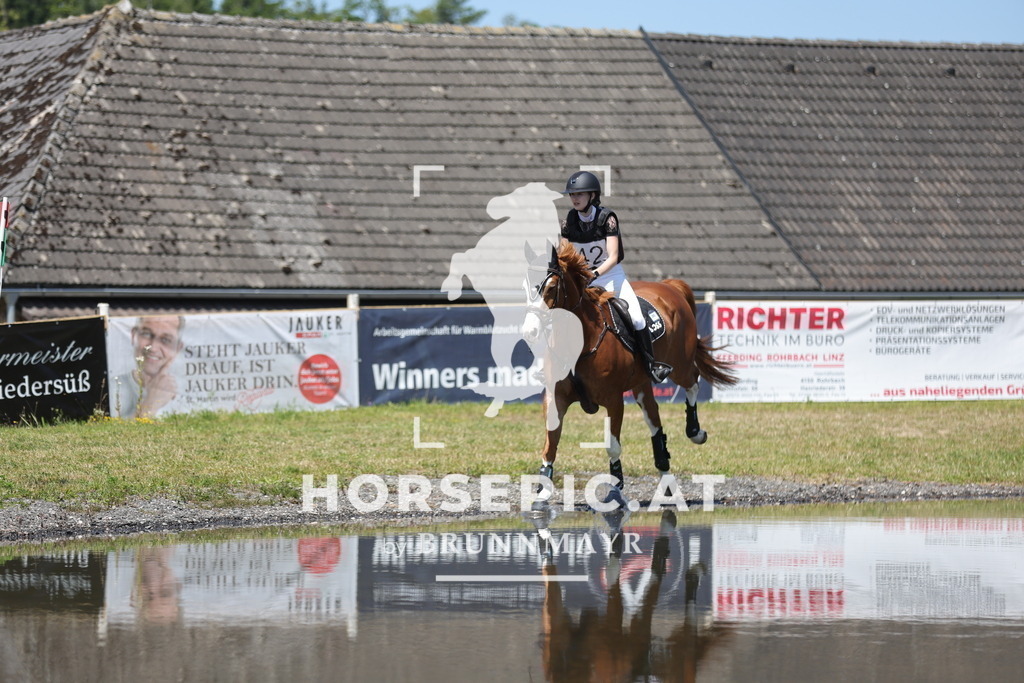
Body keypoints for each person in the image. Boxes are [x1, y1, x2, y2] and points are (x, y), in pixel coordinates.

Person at [559, 170, 672, 382]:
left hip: (610, 277)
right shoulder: (568, 222)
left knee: (637, 317)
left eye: (579, 194)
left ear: (592, 195)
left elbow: (612, 257)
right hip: (584, 281)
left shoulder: (607, 219)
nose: (574, 198)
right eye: (572, 194)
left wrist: (593, 274)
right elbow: (564, 256)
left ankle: (651, 365)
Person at [114, 315, 185, 418]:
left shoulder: (186, 394)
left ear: (178, 348)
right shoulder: (111, 389)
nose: (153, 348)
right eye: (146, 334)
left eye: (166, 340)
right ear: (133, 336)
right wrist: (151, 402)